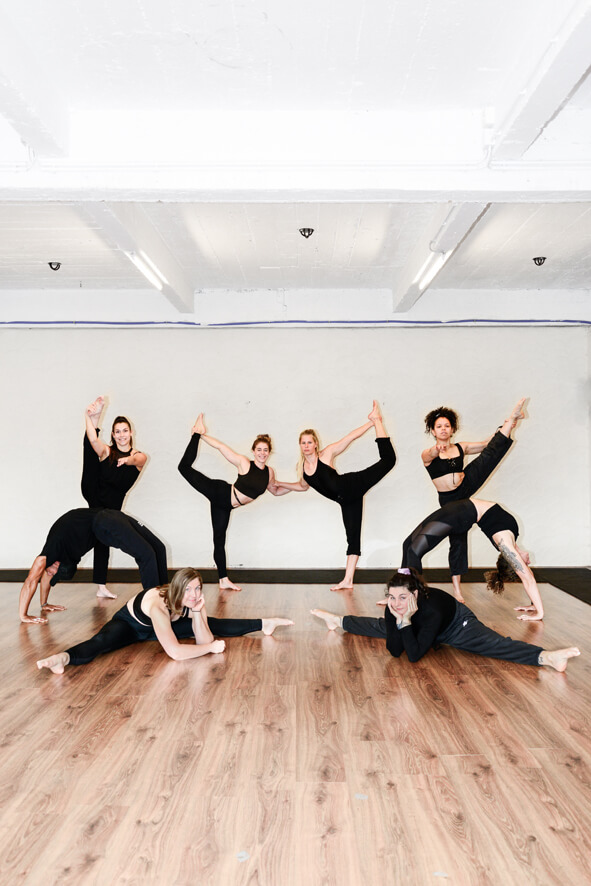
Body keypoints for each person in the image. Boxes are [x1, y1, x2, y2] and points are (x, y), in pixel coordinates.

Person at [311, 569, 579, 671]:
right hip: (421, 623)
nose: (396, 603)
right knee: (379, 626)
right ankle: (338, 621)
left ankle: (547, 658)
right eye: (391, 597)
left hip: (455, 625)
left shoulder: (433, 611)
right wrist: (399, 619)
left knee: (493, 643)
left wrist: (403, 623)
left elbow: (414, 656)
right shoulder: (394, 605)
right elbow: (395, 651)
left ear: (415, 594)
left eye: (402, 598)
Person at [36, 567, 294, 673]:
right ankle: (63, 659)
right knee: (102, 641)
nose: (194, 595)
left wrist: (196, 614)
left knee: (211, 622)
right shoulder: (159, 605)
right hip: (131, 625)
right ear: (178, 589)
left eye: (198, 588)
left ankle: (264, 623)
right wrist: (210, 649)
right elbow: (175, 654)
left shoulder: (193, 601)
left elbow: (205, 636)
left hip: (163, 627)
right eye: (189, 590)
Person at [273, 402, 395, 590]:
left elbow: (349, 438)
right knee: (352, 538)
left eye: (309, 442)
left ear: (315, 444)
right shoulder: (304, 471)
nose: (306, 446)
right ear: (300, 445)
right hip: (347, 502)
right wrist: (280, 483)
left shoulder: (326, 454)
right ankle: (348, 581)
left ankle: (377, 421)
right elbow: (301, 487)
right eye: (303, 443)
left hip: (354, 484)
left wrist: (370, 424)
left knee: (388, 460)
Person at [421, 398, 526, 602]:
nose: (443, 429)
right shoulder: (428, 454)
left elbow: (488, 444)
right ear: (433, 431)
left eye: (447, 426)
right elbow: (430, 453)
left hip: (466, 486)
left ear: (452, 429)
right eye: (439, 427)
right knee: (458, 542)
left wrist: (508, 424)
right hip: (450, 501)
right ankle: (457, 590)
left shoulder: (461, 447)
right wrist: (437, 450)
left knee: (488, 457)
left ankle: (510, 420)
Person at [178, 414, 288, 591]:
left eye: (265, 450)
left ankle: (223, 580)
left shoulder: (269, 472)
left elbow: (275, 490)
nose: (262, 453)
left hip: (225, 506)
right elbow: (221, 447)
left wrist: (298, 486)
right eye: (259, 449)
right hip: (219, 491)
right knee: (183, 468)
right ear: (253, 451)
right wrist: (202, 435)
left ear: (269, 452)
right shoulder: (244, 463)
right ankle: (196, 434)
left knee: (219, 541)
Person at [401, 497, 544, 620]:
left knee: (414, 552)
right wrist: (533, 604)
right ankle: (398, 591)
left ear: (513, 562)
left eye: (525, 564)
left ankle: (412, 599)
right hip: (460, 508)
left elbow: (527, 578)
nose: (528, 563)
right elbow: (528, 576)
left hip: (460, 515)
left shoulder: (505, 544)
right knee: (407, 544)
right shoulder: (512, 540)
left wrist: (539, 613)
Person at [19, 508, 168, 624]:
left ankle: (161, 603)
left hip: (108, 518)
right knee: (148, 553)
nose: (49, 571)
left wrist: (23, 614)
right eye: (52, 572)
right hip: (107, 520)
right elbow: (46, 576)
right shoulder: (57, 558)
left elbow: (31, 581)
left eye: (50, 570)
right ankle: (156, 607)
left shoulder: (51, 550)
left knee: (158, 548)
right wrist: (44, 604)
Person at [79, 396, 147, 599]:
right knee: (91, 448)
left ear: (131, 432)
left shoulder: (138, 456)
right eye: (117, 432)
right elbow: (93, 441)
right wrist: (87, 416)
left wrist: (127, 460)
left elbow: (138, 459)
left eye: (125, 430)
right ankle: (94, 419)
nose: (121, 435)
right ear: (113, 434)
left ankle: (101, 586)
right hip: (94, 493)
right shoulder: (108, 451)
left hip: (112, 506)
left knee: (101, 541)